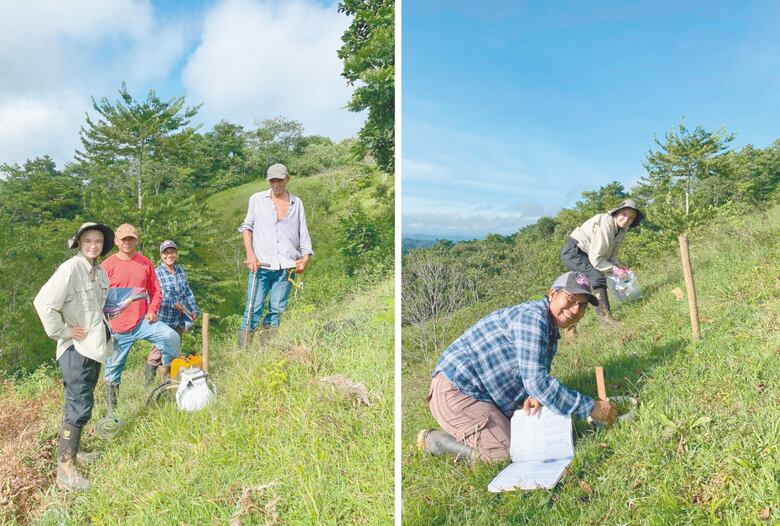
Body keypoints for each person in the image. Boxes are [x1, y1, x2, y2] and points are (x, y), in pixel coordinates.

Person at [417, 271, 618, 463]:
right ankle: (435, 442)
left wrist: (534, 394)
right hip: (457, 390)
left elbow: (531, 374)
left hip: (485, 392)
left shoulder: (548, 326)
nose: (575, 310)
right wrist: (589, 407)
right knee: (503, 454)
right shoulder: (533, 318)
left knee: (531, 438)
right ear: (552, 294)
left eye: (582, 306)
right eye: (571, 299)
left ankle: (476, 426)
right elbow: (537, 382)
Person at [33, 222, 115, 490]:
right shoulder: (71, 269)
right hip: (75, 350)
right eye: (88, 240)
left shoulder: (99, 273)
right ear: (79, 243)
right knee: (79, 406)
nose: (93, 245)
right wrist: (63, 331)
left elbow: (96, 308)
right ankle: (65, 471)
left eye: (98, 241)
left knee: (81, 403)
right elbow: (43, 303)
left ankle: (75, 452)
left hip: (93, 347)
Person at [102, 224, 180, 405]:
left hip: (142, 321)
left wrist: (152, 310)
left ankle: (168, 378)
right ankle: (111, 410)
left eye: (131, 239)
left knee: (171, 337)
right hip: (116, 328)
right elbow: (97, 296)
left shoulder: (144, 263)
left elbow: (156, 291)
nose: (127, 242)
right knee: (112, 371)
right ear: (116, 241)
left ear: (136, 240)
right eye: (124, 239)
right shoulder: (107, 266)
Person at [237, 163, 313, 347]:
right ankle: (243, 352)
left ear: (287, 179)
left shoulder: (297, 203)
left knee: (277, 310)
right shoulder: (257, 199)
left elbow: (304, 234)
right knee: (253, 309)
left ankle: (266, 350)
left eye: (279, 180)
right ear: (268, 181)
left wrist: (305, 257)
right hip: (261, 266)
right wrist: (250, 255)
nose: (276, 184)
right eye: (272, 180)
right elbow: (247, 228)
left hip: (286, 267)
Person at [560, 198, 644, 327]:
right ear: (617, 213)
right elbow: (596, 258)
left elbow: (610, 254)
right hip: (574, 252)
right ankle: (606, 320)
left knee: (581, 288)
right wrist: (615, 270)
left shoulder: (621, 230)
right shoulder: (606, 225)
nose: (627, 219)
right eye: (624, 214)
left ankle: (569, 328)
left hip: (586, 253)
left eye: (631, 218)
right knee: (597, 279)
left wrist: (618, 265)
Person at [143, 240, 200, 384]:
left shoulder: (180, 271)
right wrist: (174, 303)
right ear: (161, 255)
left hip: (178, 319)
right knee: (157, 351)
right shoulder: (157, 273)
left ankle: (169, 382)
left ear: (176, 254)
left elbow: (187, 292)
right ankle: (148, 383)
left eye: (172, 252)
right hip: (163, 319)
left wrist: (193, 309)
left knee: (174, 351)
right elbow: (158, 293)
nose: (170, 255)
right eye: (166, 253)